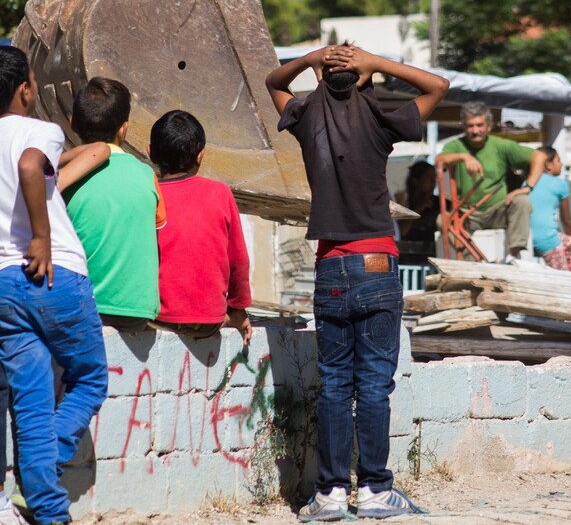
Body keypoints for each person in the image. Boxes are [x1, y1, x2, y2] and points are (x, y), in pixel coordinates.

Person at [266, 43, 448, 521]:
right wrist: (375, 62)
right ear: (363, 79)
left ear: (323, 80)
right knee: (372, 385)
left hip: (330, 267)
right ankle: (373, 490)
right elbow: (439, 86)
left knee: (333, 385)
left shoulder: (305, 117)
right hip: (377, 266)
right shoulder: (381, 122)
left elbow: (273, 83)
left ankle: (328, 495)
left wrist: (309, 60)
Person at [0, 46, 108, 525]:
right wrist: (41, 237)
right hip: (51, 273)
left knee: (32, 398)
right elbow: (28, 165)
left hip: (3, 286)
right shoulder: (40, 130)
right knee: (89, 379)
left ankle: (47, 512)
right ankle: (40, 471)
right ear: (26, 89)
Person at [62, 76, 166, 330]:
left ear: (73, 124)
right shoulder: (146, 175)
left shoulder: (63, 177)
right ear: (124, 128)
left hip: (82, 310)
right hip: (138, 312)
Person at [149, 110, 252, 344]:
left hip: (157, 318)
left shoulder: (148, 194)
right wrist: (238, 310)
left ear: (151, 153)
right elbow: (239, 261)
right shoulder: (220, 193)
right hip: (210, 321)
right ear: (200, 155)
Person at [436, 101, 546, 262]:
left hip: (497, 210)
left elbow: (540, 156)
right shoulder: (456, 145)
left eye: (479, 125)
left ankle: (514, 256)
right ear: (464, 127)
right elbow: (438, 160)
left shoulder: (500, 145)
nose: (475, 130)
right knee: (442, 219)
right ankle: (471, 259)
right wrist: (463, 157)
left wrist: (527, 187)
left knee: (522, 201)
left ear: (489, 125)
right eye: (470, 126)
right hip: (467, 215)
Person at [529, 146, 571, 272]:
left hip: (528, 235)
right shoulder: (560, 184)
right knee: (563, 274)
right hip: (547, 240)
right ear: (548, 165)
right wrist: (569, 241)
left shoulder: (527, 183)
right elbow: (567, 219)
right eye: (558, 161)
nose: (561, 164)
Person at [396, 160, 438, 254]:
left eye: (434, 179)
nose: (433, 183)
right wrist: (418, 209)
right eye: (428, 178)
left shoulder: (440, 204)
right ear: (416, 181)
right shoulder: (404, 204)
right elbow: (401, 231)